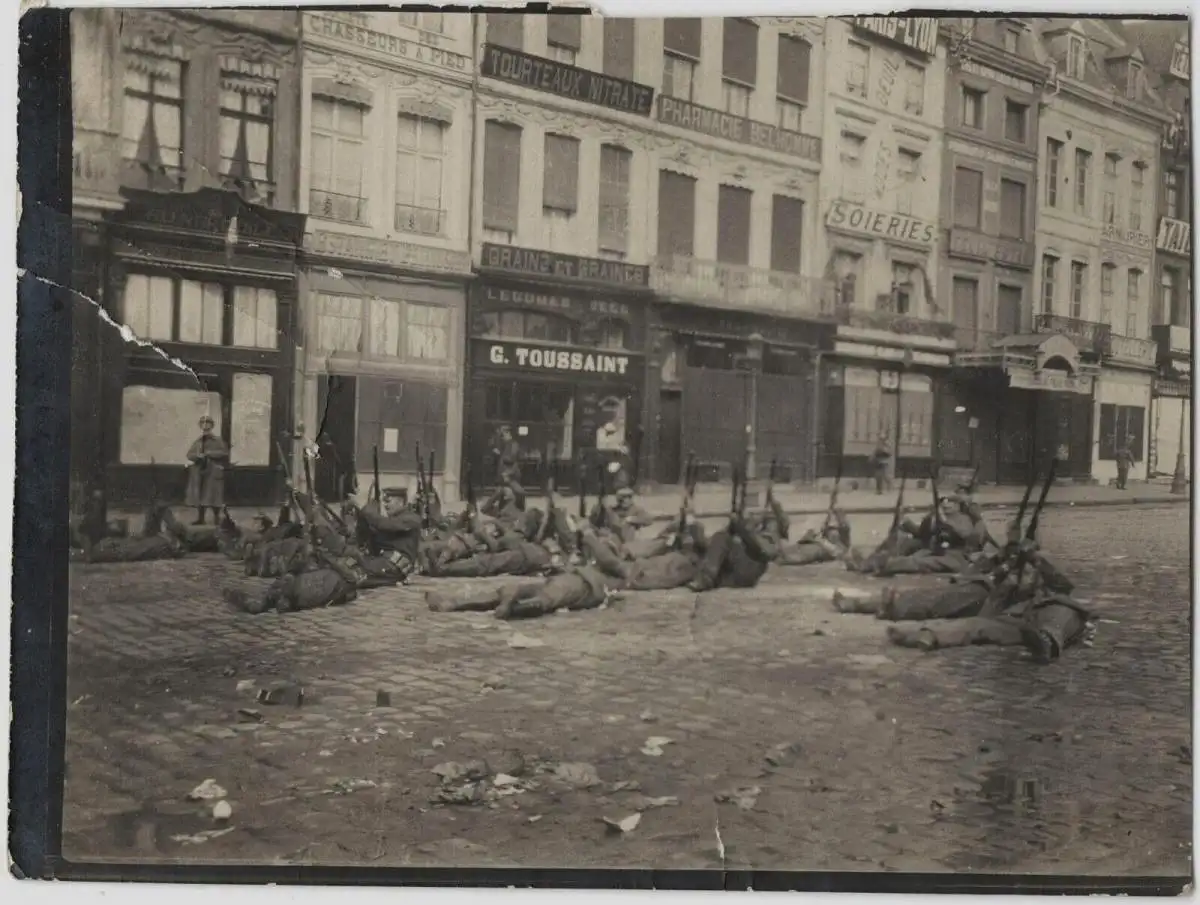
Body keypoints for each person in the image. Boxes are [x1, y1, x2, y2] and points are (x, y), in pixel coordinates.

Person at [687, 500, 784, 592]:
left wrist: (742, 529)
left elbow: (766, 551)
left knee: (721, 537)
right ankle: (705, 577)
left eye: (753, 513)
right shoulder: (748, 529)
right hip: (733, 572)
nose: (749, 516)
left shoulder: (769, 531)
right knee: (704, 551)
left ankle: (706, 578)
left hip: (748, 571)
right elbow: (715, 547)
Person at [185, 415, 229, 525]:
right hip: (200, 472)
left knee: (214, 495)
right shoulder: (198, 441)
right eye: (203, 423)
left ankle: (216, 518)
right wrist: (197, 456)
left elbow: (224, 453)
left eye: (208, 423)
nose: (205, 425)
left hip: (213, 471)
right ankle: (201, 518)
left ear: (212, 426)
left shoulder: (217, 441)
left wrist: (209, 454)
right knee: (200, 495)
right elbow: (189, 454)